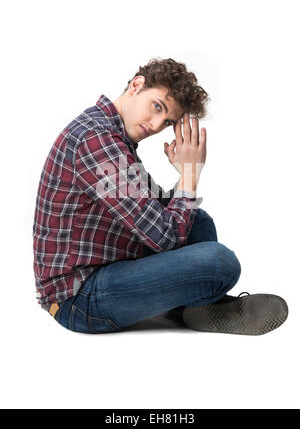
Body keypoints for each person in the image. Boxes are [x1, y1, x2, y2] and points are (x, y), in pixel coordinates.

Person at [32, 57, 288, 335]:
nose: (155, 125)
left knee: (198, 223)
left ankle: (194, 308)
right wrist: (190, 173)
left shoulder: (111, 133)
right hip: (79, 299)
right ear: (136, 85)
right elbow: (165, 237)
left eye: (166, 121)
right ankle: (196, 305)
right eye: (157, 107)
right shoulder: (95, 140)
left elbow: (154, 212)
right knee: (219, 263)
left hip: (107, 268)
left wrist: (182, 173)